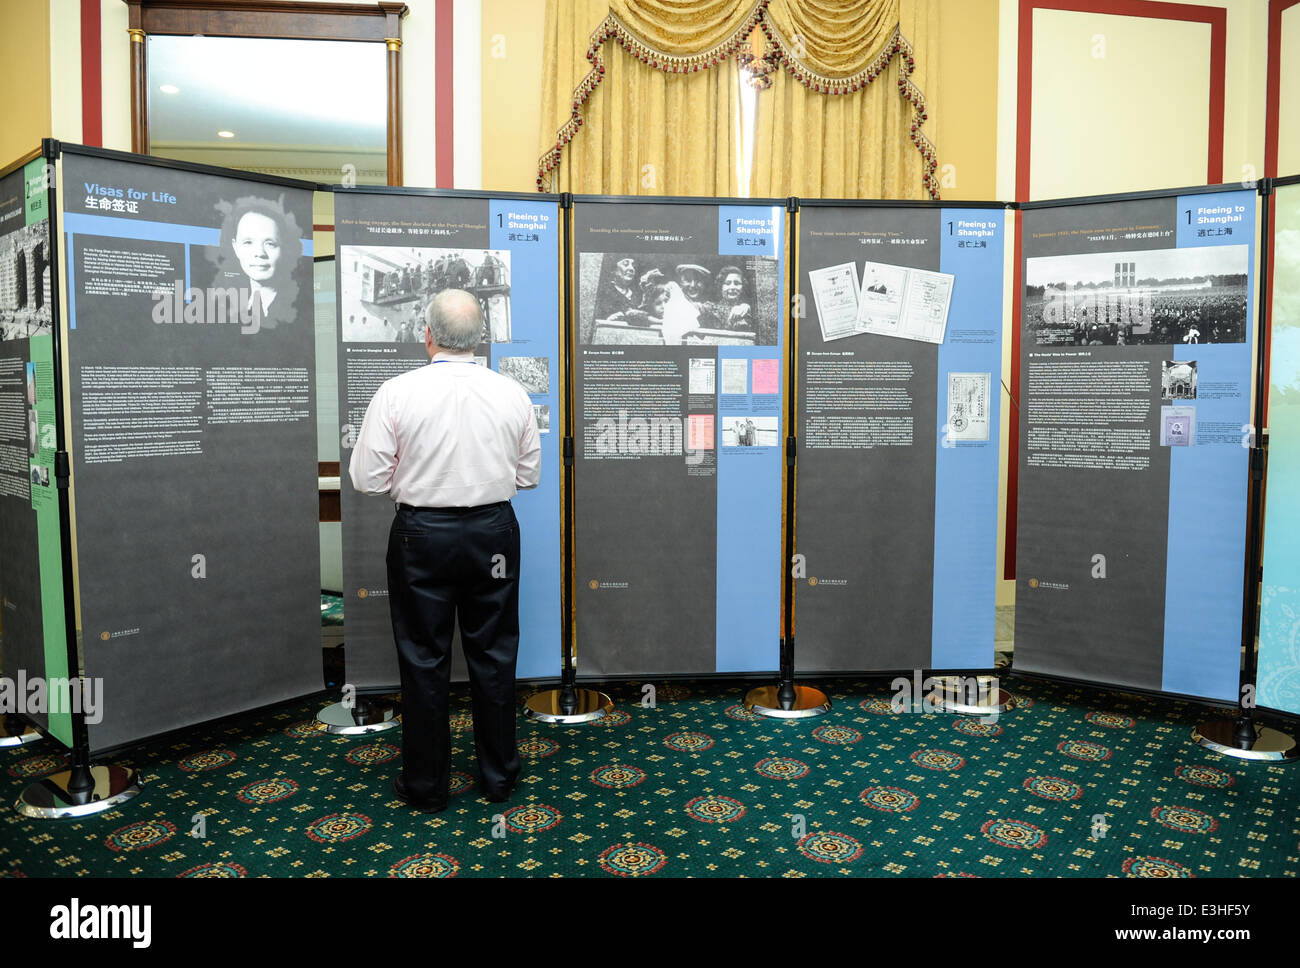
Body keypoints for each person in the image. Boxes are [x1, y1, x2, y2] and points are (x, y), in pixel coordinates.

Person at [349, 289, 541, 813]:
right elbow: (529, 475)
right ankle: (499, 778)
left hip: (421, 537)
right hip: (493, 533)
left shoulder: (395, 392)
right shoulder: (513, 393)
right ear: (481, 338)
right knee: (495, 655)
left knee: (422, 658)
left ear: (426, 334)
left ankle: (426, 787)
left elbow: (366, 478)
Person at [213, 195, 303, 329]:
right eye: (248, 242)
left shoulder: (301, 308)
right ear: (236, 247)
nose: (260, 253)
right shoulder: (223, 305)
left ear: (284, 248)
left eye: (270, 243)